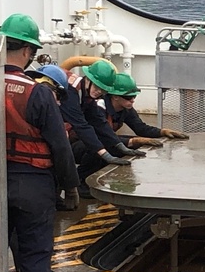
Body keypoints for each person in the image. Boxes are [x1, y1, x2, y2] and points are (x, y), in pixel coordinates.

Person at [0, 13, 79, 272]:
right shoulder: (38, 92)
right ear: (29, 52)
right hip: (33, 183)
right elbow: (60, 146)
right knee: (34, 259)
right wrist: (70, 186)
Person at [59, 60, 144, 195]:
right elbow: (82, 126)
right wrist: (105, 154)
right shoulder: (71, 92)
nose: (99, 91)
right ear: (88, 79)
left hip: (64, 134)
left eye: (103, 90)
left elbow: (99, 123)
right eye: (97, 87)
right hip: (57, 133)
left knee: (102, 145)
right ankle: (74, 185)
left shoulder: (87, 95)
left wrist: (119, 145)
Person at [105, 73, 190, 148]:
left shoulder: (126, 109)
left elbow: (140, 128)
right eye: (128, 97)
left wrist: (162, 132)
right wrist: (135, 141)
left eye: (134, 96)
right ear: (115, 96)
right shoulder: (100, 108)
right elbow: (103, 138)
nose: (132, 100)